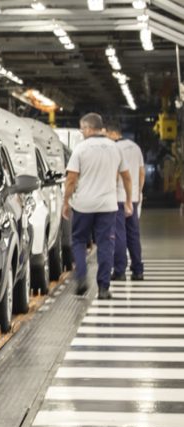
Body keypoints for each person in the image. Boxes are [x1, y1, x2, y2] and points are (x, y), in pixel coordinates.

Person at [62, 113, 132, 299]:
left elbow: (71, 179)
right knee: (105, 245)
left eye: (82, 129)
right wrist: (128, 200)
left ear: (88, 128)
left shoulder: (81, 148)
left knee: (79, 241)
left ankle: (81, 277)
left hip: (83, 205)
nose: (82, 132)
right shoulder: (115, 148)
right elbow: (126, 177)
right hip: (107, 206)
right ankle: (103, 288)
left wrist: (66, 202)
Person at [106, 121, 145, 281]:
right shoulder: (136, 148)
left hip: (118, 198)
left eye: (106, 135)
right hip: (133, 197)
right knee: (134, 234)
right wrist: (138, 192)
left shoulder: (114, 148)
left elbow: (115, 174)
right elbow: (141, 173)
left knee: (119, 234)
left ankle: (120, 271)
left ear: (113, 133)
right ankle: (138, 270)